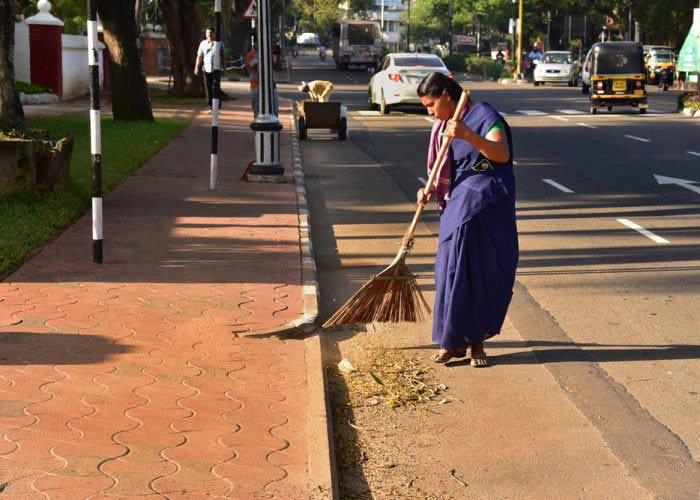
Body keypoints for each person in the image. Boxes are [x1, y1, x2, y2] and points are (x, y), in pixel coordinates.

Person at [416, 72, 518, 366]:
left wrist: (468, 135)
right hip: (457, 202)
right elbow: (441, 166)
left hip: (488, 203)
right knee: (449, 272)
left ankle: (476, 345)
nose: (430, 112)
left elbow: (501, 154)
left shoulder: (487, 117)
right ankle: (451, 342)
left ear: (447, 96)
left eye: (432, 105)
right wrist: (428, 188)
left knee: (480, 274)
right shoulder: (441, 127)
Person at [194, 28, 225, 111]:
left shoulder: (219, 43)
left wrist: (224, 68)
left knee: (216, 87)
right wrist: (196, 66)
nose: (209, 35)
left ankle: (218, 107)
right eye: (207, 33)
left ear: (214, 34)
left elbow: (223, 56)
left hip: (216, 69)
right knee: (208, 87)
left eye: (210, 33)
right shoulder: (203, 43)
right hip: (206, 69)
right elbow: (199, 56)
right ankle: (210, 106)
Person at [246, 42, 279, 117]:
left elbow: (276, 67)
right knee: (258, 109)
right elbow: (257, 66)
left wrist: (276, 55)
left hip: (271, 85)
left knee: (274, 107)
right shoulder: (251, 55)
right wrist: (266, 56)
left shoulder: (269, 54)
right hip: (257, 86)